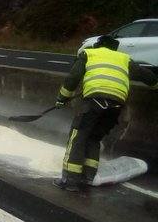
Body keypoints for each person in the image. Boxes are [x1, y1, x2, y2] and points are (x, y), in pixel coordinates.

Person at [54, 34, 158, 191]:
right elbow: (148, 77)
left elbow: (72, 78)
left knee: (78, 137)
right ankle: (88, 176)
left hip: (94, 102)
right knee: (94, 138)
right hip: (116, 107)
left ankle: (70, 181)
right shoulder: (124, 58)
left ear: (98, 45)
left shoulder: (89, 54)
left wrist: (62, 98)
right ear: (114, 48)